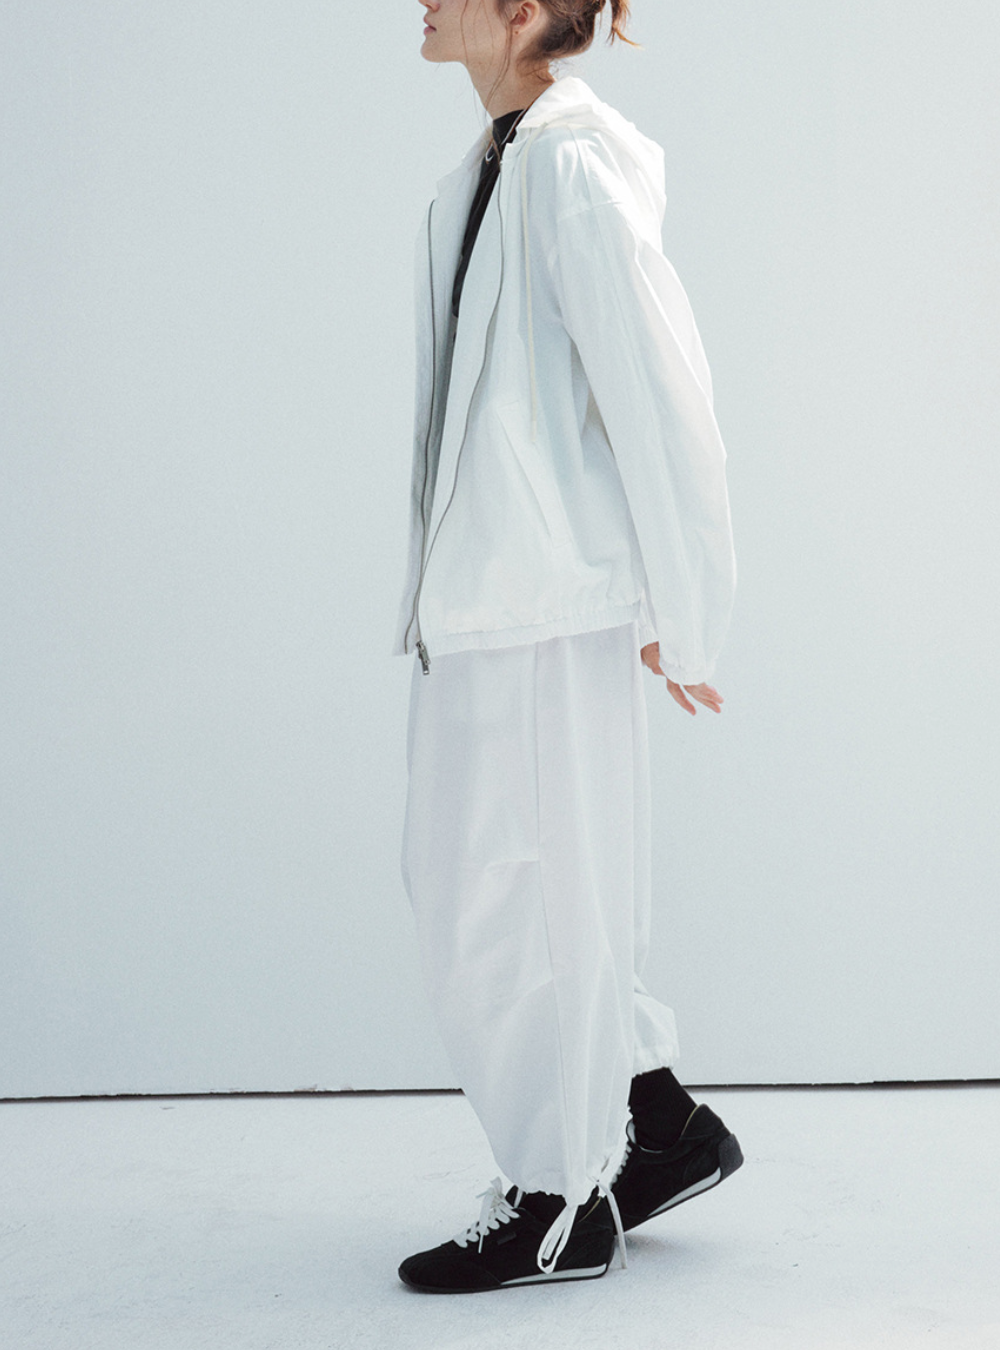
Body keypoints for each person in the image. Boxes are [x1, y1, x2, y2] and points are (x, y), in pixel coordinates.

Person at [394, 0, 741, 1293]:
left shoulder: (575, 169)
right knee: (510, 887)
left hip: (542, 601)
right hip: (491, 599)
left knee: (514, 900)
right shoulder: (494, 166)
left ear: (526, 8)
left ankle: (557, 1199)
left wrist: (683, 608)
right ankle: (651, 1121)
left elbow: (660, 391)